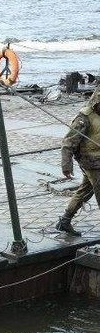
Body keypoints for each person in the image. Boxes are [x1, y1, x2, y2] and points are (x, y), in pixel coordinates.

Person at [55, 90, 100, 236]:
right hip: (91, 162)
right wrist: (66, 165)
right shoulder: (84, 118)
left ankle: (65, 221)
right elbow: (68, 142)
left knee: (85, 191)